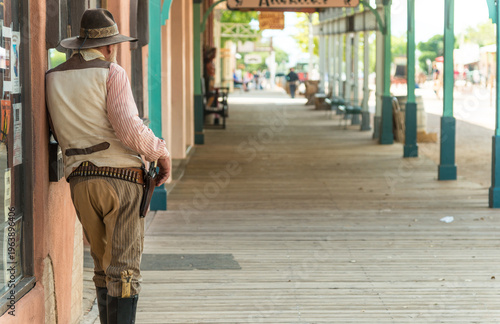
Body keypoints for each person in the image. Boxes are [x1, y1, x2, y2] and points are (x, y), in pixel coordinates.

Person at [45, 9, 171, 324]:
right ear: (110, 46)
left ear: (79, 43)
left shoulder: (52, 78)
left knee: (102, 265)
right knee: (125, 269)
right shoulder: (111, 72)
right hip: (121, 180)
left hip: (80, 182)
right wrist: (159, 151)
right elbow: (129, 128)